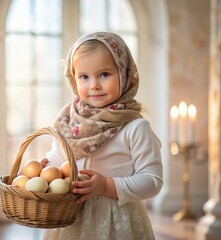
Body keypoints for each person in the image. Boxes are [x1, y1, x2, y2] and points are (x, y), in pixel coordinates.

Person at [41, 32, 163, 240]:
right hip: (71, 214)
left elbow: (152, 180)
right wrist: (49, 167)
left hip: (115, 218)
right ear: (73, 79)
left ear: (124, 74)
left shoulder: (135, 127)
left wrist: (106, 185)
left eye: (104, 74)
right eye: (84, 77)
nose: (94, 85)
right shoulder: (68, 119)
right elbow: (59, 155)